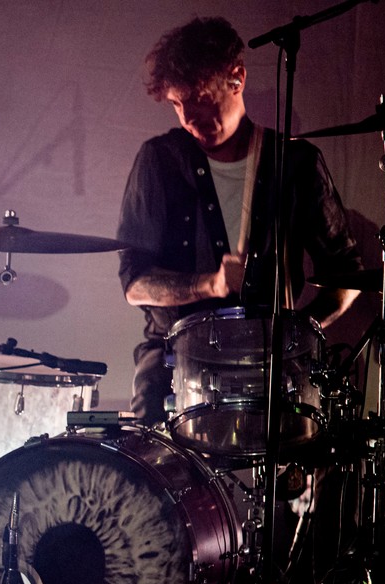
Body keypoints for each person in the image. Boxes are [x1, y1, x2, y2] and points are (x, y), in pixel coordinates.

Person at [117, 17, 362, 424]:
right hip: (173, 368)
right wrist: (208, 284)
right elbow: (135, 285)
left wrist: (297, 333)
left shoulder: (296, 162)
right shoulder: (159, 161)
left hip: (273, 373)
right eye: (178, 105)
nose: (189, 119)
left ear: (237, 78)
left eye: (199, 98)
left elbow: (347, 273)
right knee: (158, 481)